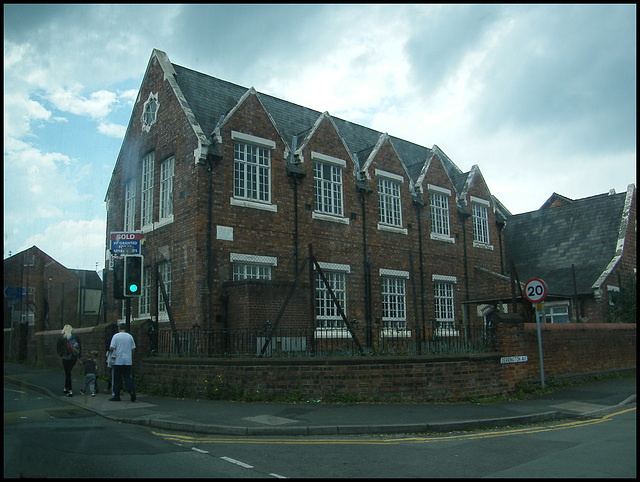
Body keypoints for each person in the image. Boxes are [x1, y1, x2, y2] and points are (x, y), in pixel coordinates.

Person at [109, 323, 136, 402]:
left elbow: (111, 348)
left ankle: (116, 396)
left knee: (117, 379)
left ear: (119, 329)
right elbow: (133, 349)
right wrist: (131, 357)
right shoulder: (130, 336)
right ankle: (132, 391)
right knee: (128, 377)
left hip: (118, 361)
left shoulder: (116, 336)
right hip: (128, 361)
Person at [56, 324, 81, 397]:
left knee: (68, 373)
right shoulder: (75, 337)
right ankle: (65, 387)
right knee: (68, 372)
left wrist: (62, 355)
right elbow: (79, 347)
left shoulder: (61, 338)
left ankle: (70, 390)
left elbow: (58, 349)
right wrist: (78, 356)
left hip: (65, 358)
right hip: (73, 357)